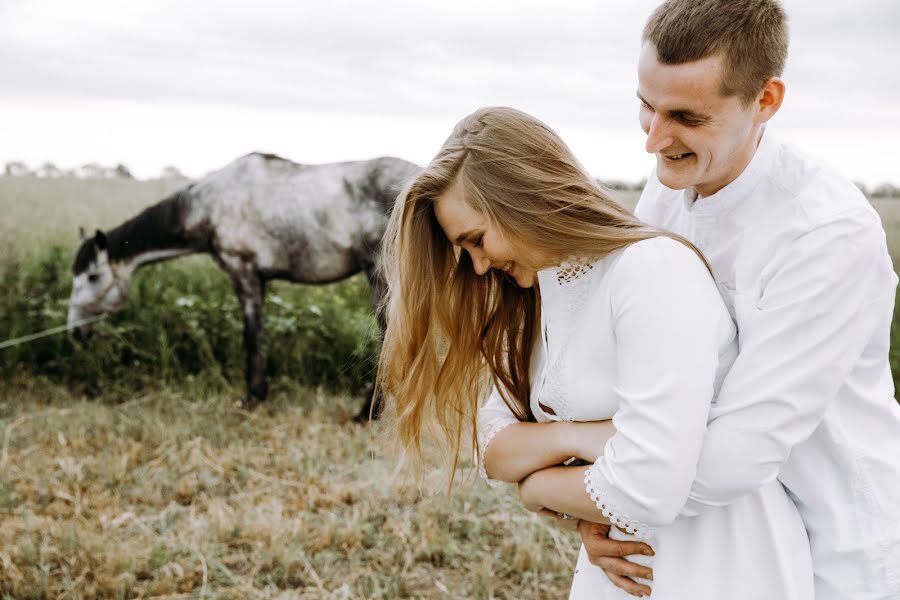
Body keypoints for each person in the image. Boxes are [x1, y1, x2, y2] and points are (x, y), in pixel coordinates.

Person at [377, 105, 814, 599]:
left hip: (719, 562)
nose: (478, 266)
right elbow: (492, 448)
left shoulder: (650, 270)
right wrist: (580, 438)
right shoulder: (534, 294)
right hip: (616, 562)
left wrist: (536, 487)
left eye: (477, 240)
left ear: (522, 199)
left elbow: (648, 487)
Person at [575, 1, 900, 598]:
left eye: (685, 117)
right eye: (645, 106)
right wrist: (593, 512)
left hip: (832, 542)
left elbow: (734, 455)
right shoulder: (673, 182)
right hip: (697, 529)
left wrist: (557, 486)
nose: (653, 140)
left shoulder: (827, 234)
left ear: (766, 101)